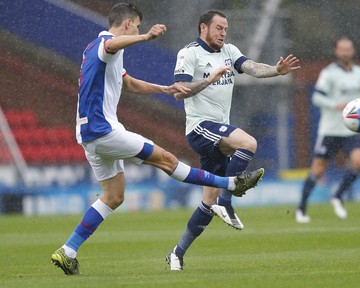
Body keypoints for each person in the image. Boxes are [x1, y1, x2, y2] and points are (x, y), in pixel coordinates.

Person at [50, 3, 264, 276]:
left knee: (113, 196)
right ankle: (231, 183)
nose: (138, 29)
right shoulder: (106, 44)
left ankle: (68, 251)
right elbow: (113, 44)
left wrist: (164, 89)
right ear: (128, 24)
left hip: (89, 135)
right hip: (103, 131)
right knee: (167, 160)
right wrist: (146, 37)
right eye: (137, 25)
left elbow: (127, 83)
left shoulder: (94, 49)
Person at [166, 10, 300, 270]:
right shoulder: (189, 53)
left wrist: (276, 70)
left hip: (218, 133)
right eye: (218, 28)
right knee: (248, 143)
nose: (223, 33)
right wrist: (209, 80)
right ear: (203, 27)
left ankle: (177, 253)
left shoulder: (229, 50)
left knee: (207, 203)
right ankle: (227, 201)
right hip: (200, 128)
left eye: (225, 29)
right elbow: (178, 92)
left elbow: (251, 68)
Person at [295, 37, 360, 223]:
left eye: (348, 49)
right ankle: (301, 208)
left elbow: (358, 99)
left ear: (353, 51)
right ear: (336, 51)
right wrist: (336, 104)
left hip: (350, 130)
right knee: (317, 170)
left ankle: (337, 196)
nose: (345, 52)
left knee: (359, 162)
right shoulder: (329, 73)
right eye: (342, 49)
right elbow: (317, 98)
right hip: (330, 130)